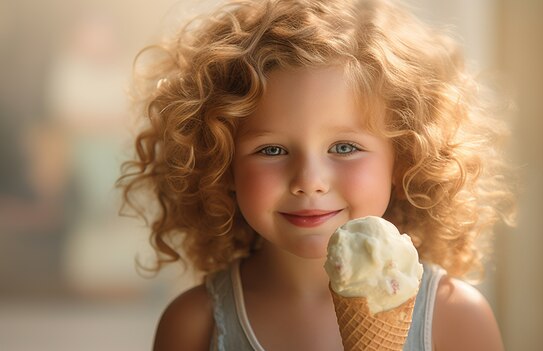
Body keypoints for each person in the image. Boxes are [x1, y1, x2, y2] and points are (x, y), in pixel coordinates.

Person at [118, 0, 516, 350]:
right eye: (272, 150)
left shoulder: (454, 318)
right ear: (219, 164)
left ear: (406, 157)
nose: (309, 180)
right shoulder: (194, 325)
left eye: (344, 147)